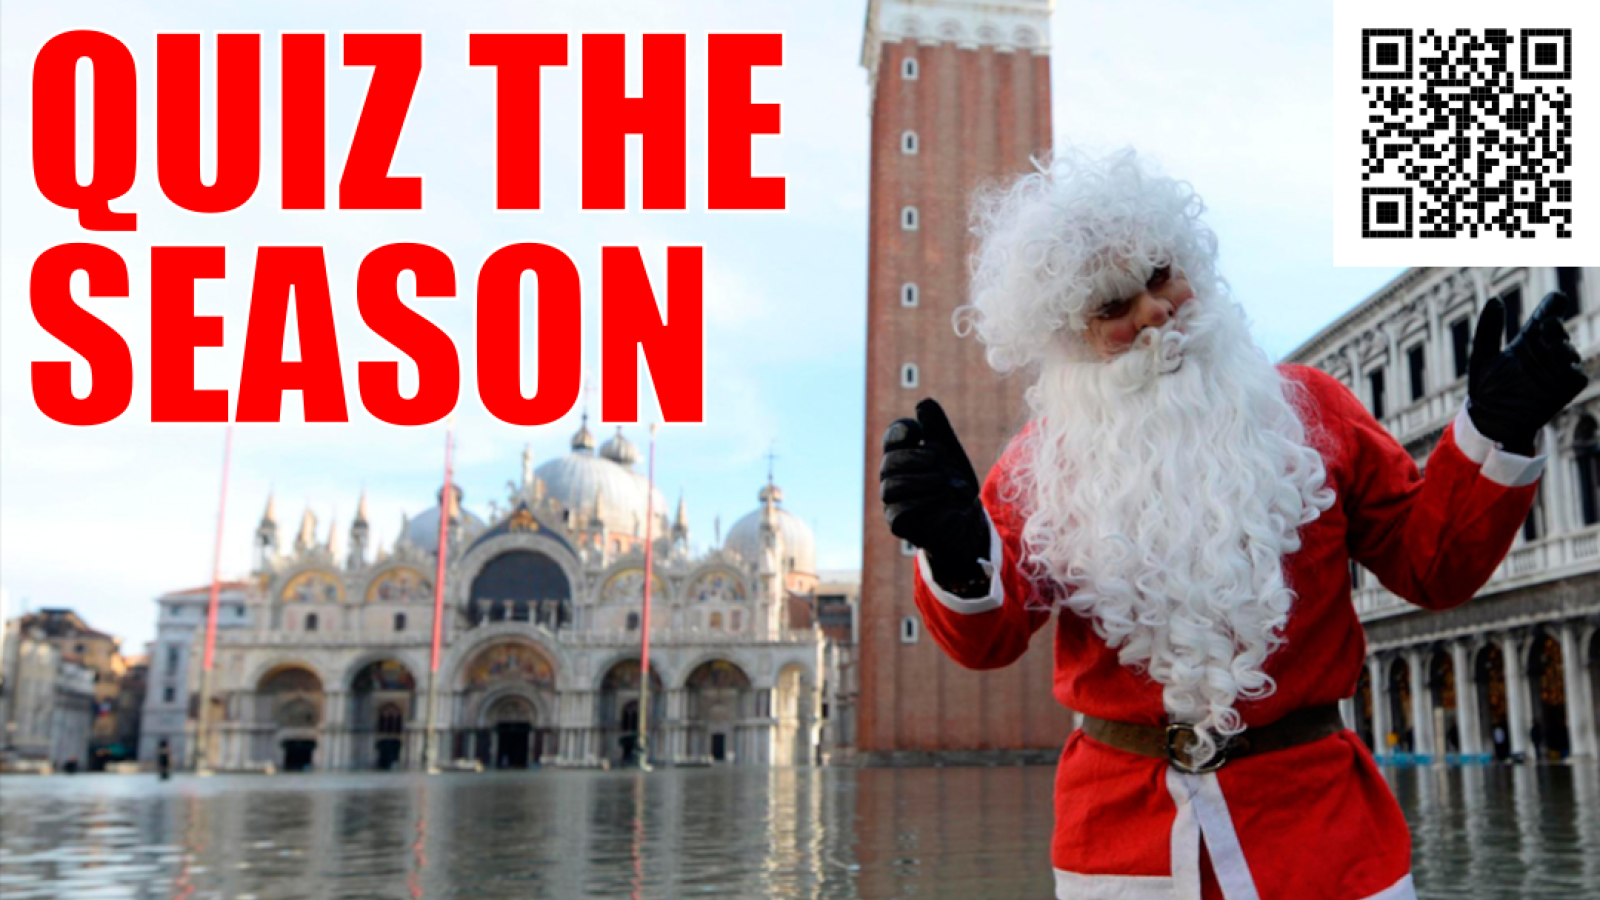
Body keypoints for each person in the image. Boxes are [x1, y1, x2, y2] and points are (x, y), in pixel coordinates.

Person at [879, 148, 1586, 900]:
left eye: (1160, 275)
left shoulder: (1313, 409)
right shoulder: (1037, 464)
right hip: (1122, 846)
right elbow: (990, 639)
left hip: (1322, 835)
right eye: (1114, 308)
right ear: (1068, 337)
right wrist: (955, 553)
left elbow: (1432, 566)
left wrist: (1491, 436)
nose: (1154, 311)